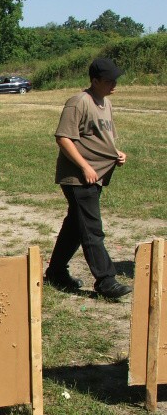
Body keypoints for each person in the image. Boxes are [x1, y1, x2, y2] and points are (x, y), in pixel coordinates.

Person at [45, 57, 132, 299]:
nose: (114, 84)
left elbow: (103, 137)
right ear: (94, 81)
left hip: (97, 175)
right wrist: (84, 167)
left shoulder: (106, 103)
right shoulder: (78, 102)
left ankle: (56, 272)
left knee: (76, 225)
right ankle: (106, 281)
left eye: (115, 80)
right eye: (108, 81)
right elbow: (63, 138)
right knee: (92, 229)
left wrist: (117, 154)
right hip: (79, 177)